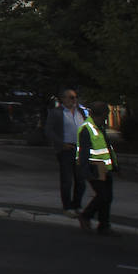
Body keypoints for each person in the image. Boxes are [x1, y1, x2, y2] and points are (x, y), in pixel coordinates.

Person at [77, 101, 119, 237]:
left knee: (107, 197)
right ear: (99, 115)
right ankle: (86, 216)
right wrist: (86, 172)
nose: (106, 119)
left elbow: (107, 147)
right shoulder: (87, 129)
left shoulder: (99, 127)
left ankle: (104, 225)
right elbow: (83, 153)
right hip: (94, 167)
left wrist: (115, 166)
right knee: (103, 196)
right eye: (105, 116)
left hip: (104, 167)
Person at [44, 88, 87, 217]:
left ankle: (77, 204)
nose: (74, 100)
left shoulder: (80, 112)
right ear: (63, 99)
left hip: (80, 149)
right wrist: (61, 144)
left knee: (81, 180)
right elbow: (48, 130)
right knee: (67, 180)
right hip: (66, 150)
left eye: (75, 97)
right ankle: (67, 206)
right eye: (71, 97)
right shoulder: (56, 113)